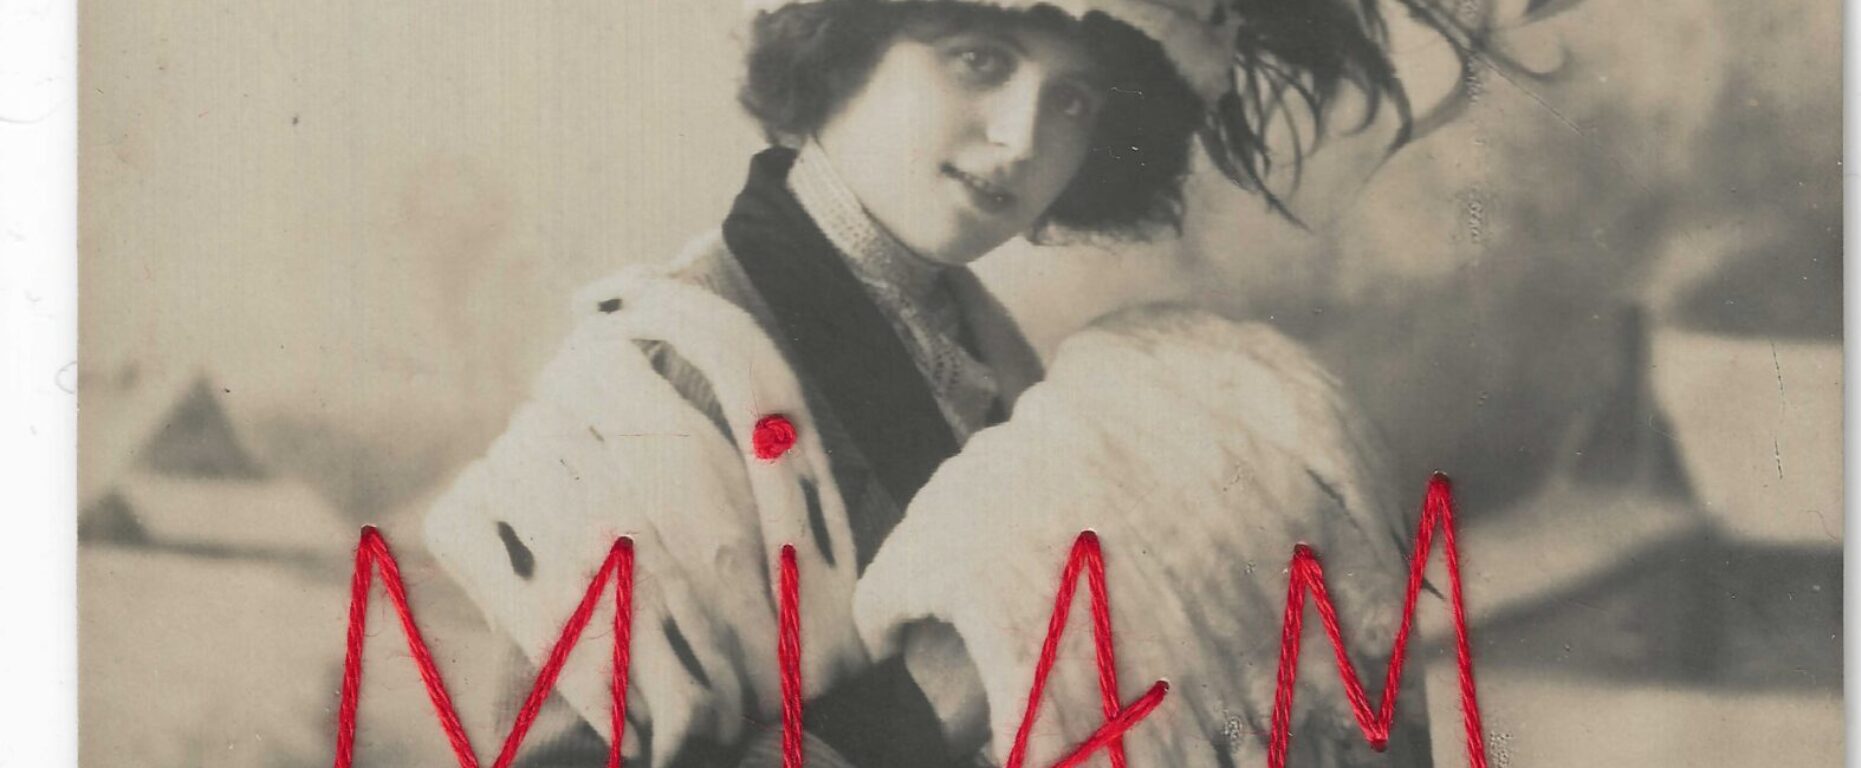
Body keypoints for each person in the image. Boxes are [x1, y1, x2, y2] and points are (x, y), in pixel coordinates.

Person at [423, 0, 1484, 765]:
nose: (1021, 137)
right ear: (848, 44)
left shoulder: (990, 353)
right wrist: (943, 692)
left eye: (1072, 100)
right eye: (979, 60)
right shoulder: (662, 385)